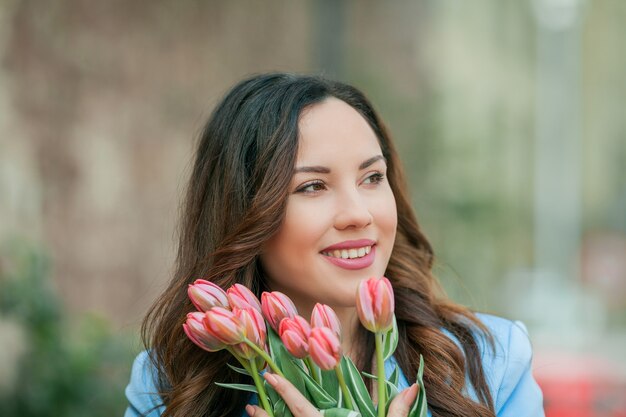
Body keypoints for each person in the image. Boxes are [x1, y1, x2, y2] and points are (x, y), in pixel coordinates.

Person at [124, 73, 545, 417]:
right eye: (312, 186)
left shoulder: (489, 364)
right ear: (244, 213)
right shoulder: (169, 385)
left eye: (372, 177)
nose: (358, 213)